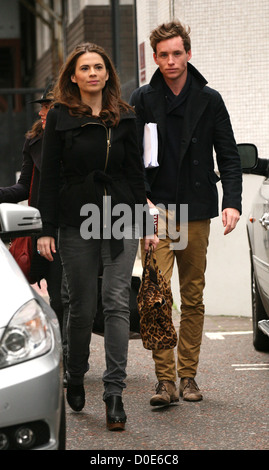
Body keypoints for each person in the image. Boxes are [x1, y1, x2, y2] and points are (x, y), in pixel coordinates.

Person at [36, 42, 158, 430]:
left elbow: (136, 174)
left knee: (118, 302)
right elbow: (50, 177)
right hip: (76, 218)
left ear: (108, 74)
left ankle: (114, 393)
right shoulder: (59, 116)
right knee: (83, 306)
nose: (92, 73)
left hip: (120, 213)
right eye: (85, 68)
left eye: (99, 67)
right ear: (73, 76)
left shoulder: (125, 116)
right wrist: (45, 229)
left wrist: (145, 225)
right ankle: (75, 373)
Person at [130, 20, 242, 406]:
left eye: (178, 53)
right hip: (155, 210)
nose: (172, 60)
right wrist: (140, 200)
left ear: (188, 54)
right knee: (156, 296)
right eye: (164, 55)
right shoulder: (142, 99)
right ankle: (165, 381)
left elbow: (228, 154)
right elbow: (132, 159)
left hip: (195, 209)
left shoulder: (209, 99)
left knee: (192, 297)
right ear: (156, 58)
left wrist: (232, 201)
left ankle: (188, 375)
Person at [0, 85, 67, 336]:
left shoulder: (74, 138)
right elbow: (22, 188)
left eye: (48, 106)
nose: (41, 111)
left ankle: (70, 357)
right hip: (39, 230)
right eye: (42, 106)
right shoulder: (34, 140)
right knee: (48, 295)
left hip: (68, 227)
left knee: (64, 298)